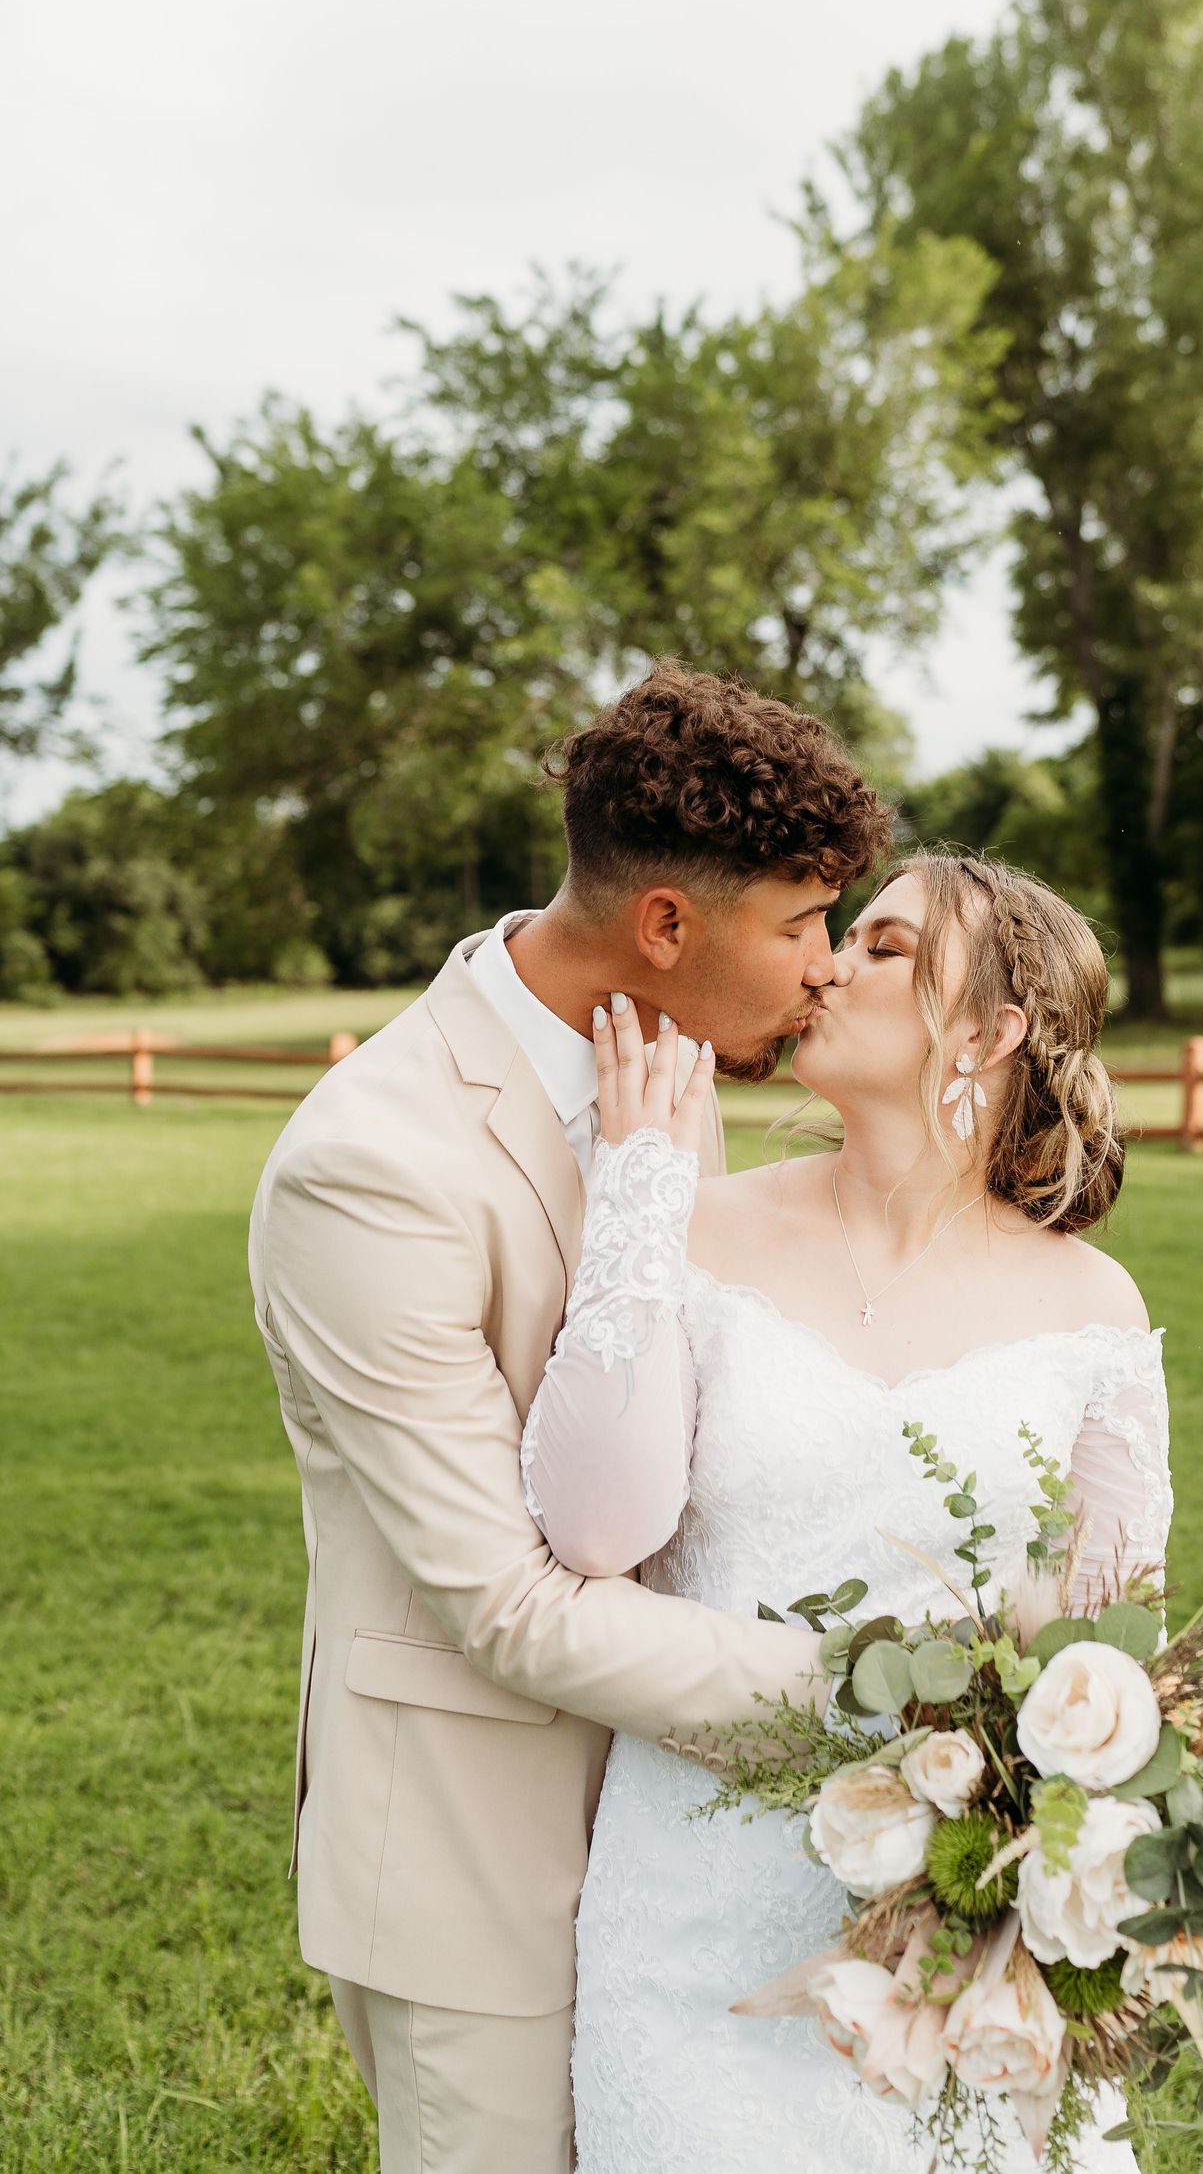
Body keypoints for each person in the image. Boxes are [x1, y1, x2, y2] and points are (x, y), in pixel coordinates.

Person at [247, 662, 890, 2173]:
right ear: (666, 924)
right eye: (800, 924)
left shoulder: (667, 1062)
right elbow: (509, 1604)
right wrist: (882, 1703)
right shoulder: (372, 1167)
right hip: (480, 1865)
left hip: (684, 1850)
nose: (824, 970)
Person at [520, 852, 1173, 2173]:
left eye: (883, 946)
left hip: (958, 1924)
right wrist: (642, 1184)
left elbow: (1112, 1649)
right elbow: (593, 1531)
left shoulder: (1092, 1307)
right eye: (841, 934)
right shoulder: (693, 1225)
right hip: (693, 1904)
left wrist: (1036, 1852)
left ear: (987, 1029)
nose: (827, 963)